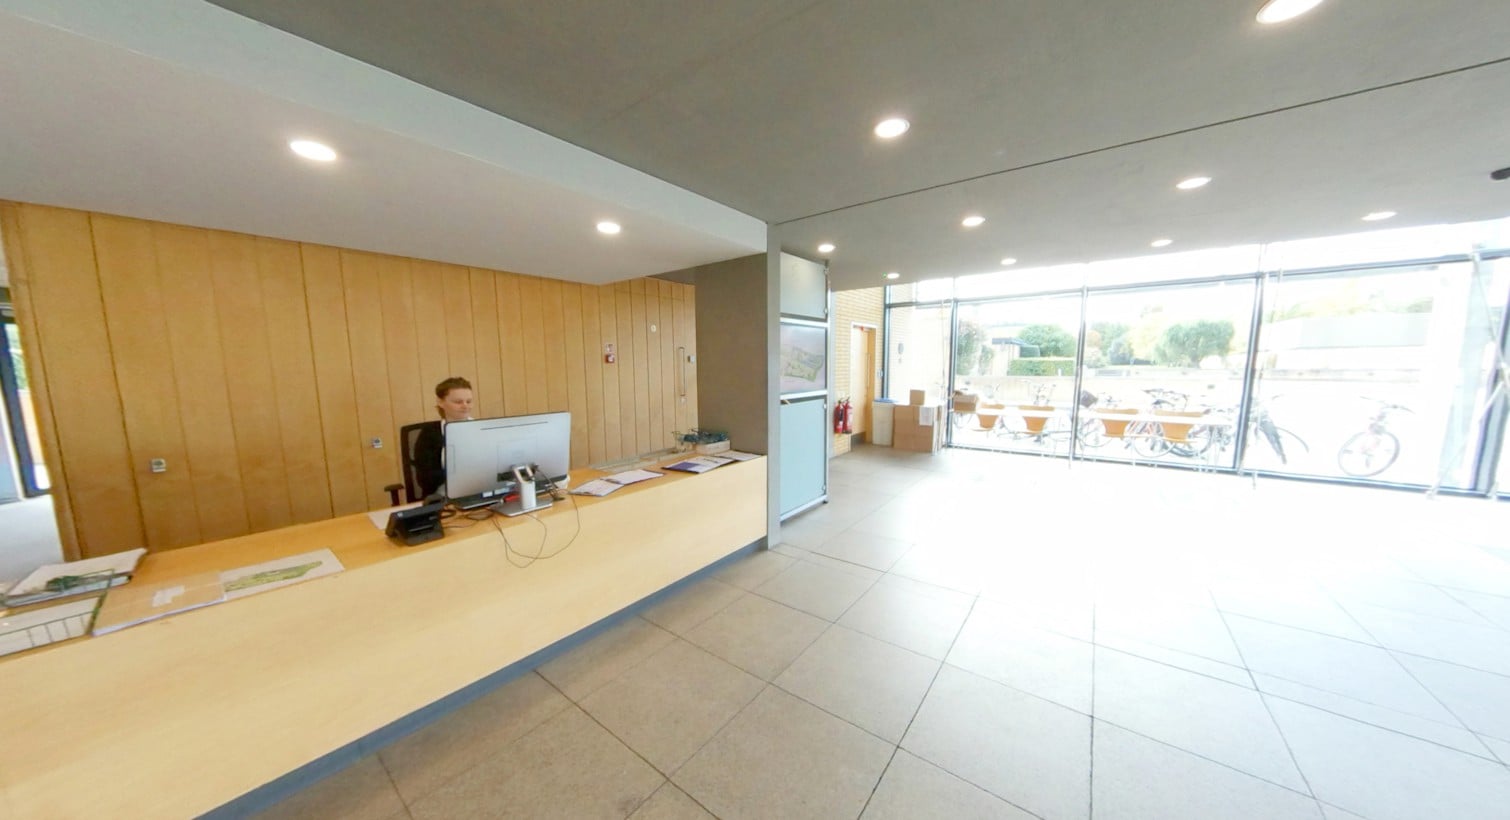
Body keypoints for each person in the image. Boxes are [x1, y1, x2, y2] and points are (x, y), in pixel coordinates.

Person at [414, 377, 474, 499]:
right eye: (458, 402)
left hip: (481, 493)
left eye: (468, 401)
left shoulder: (483, 429)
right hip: (443, 498)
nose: (465, 406)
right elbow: (426, 480)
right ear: (441, 402)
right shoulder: (429, 434)